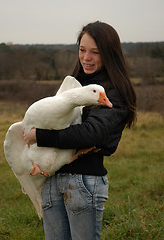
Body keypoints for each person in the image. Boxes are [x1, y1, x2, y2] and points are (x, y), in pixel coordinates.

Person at [23, 21, 137, 240]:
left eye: (95, 52)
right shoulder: (74, 86)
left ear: (109, 54)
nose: (86, 57)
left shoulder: (112, 91)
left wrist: (40, 136)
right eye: (82, 50)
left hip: (83, 181)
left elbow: (91, 133)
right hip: (52, 180)